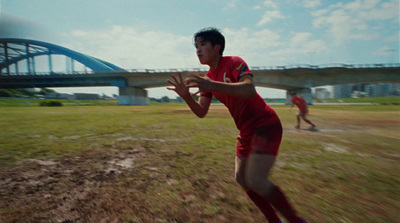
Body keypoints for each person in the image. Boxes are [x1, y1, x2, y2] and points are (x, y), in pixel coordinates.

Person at [167, 27, 307, 223]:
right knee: (241, 178)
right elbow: (201, 112)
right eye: (196, 46)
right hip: (246, 130)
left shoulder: (234, 62)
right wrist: (187, 97)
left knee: (257, 180)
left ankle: (297, 221)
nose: (198, 50)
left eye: (203, 44)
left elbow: (249, 89)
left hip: (265, 124)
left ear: (217, 47)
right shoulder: (208, 78)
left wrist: (211, 85)